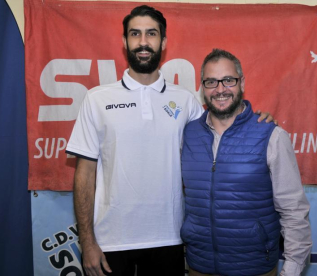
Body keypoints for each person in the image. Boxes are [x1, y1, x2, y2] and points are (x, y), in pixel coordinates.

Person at [66, 6, 273, 276]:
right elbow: (84, 175)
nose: (143, 42)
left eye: (151, 34)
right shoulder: (96, 99)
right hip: (109, 244)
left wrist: (257, 120)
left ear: (163, 43)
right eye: (135, 34)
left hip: (170, 241)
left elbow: (223, 127)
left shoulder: (186, 100)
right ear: (124, 42)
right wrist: (88, 242)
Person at [181, 49, 312, 276]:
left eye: (228, 80)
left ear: (241, 83)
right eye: (211, 82)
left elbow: (294, 210)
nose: (220, 89)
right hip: (198, 266)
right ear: (202, 87)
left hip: (254, 268)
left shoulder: (271, 135)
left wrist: (292, 270)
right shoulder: (187, 134)